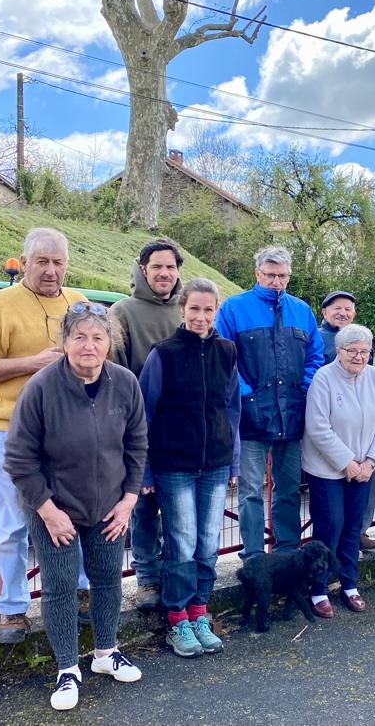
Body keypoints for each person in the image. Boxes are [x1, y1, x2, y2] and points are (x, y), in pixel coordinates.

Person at [4, 303, 146, 711]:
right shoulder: (41, 387)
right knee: (61, 585)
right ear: (64, 342)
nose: (89, 345)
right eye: (79, 337)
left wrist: (129, 500)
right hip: (53, 506)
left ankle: (106, 654)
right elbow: (19, 458)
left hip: (108, 505)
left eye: (98, 337)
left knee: (107, 579)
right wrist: (47, 510)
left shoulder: (125, 383)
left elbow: (137, 444)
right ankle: (67, 669)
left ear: (109, 343)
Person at [0, 227, 91, 643]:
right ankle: (12, 609)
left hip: (69, 432)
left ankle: (79, 591)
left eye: (58, 262)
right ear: (25, 261)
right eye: (42, 262)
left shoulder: (79, 304)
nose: (51, 271)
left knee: (76, 516)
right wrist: (33, 362)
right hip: (13, 432)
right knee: (13, 524)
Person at [139, 278, 239, 658]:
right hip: (174, 464)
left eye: (208, 309)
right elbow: (145, 413)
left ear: (216, 312)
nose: (201, 316)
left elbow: (232, 409)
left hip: (214, 462)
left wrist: (233, 459)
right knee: (181, 541)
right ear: (182, 310)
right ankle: (177, 618)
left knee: (208, 543)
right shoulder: (162, 354)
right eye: (194, 308)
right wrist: (146, 470)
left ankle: (200, 612)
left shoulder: (227, 351)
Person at [215, 246, 324, 559]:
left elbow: (315, 356)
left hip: (291, 414)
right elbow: (226, 359)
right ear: (257, 274)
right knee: (250, 491)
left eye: (283, 276)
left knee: (288, 488)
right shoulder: (233, 309)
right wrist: (247, 395)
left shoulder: (301, 311)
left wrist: (303, 389)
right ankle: (252, 555)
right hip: (251, 417)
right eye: (271, 275)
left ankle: (287, 550)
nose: (277, 282)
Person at [109, 238, 183, 611]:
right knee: (141, 506)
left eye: (170, 267)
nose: (164, 273)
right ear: (143, 270)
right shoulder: (122, 313)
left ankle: (175, 574)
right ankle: (147, 578)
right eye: (157, 267)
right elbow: (115, 372)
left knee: (179, 508)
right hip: (138, 428)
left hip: (182, 430)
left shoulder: (187, 313)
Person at [302, 324, 375, 616]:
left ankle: (349, 583)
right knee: (330, 528)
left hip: (365, 468)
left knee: (354, 527)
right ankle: (317, 589)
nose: (358, 356)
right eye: (351, 351)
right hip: (327, 470)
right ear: (338, 352)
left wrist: (370, 462)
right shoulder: (323, 378)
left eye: (364, 351)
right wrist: (347, 463)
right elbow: (318, 427)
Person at [318, 290, 357, 365]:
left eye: (347, 309)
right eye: (337, 308)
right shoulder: (315, 338)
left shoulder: (360, 338)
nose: (343, 313)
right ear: (325, 313)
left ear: (353, 315)